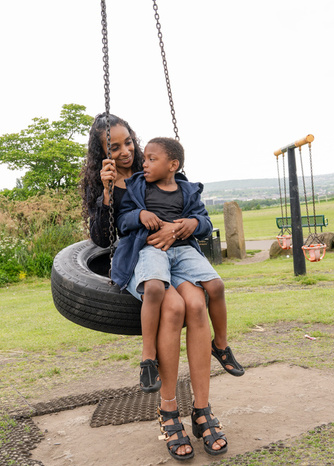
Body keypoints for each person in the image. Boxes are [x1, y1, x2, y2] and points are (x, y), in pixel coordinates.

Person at [80, 118, 229, 458]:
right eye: (114, 147)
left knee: (196, 302)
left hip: (174, 257)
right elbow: (103, 239)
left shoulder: (156, 166)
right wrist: (105, 194)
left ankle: (202, 409)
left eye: (128, 142)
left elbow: (190, 212)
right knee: (174, 307)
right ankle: (168, 410)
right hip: (140, 261)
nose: (126, 152)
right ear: (102, 152)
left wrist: (180, 229)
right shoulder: (105, 182)